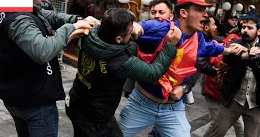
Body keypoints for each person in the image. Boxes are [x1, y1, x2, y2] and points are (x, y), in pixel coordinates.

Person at [118, 0, 234, 137]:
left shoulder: (198, 37)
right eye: (199, 10)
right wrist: (133, 26)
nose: (205, 14)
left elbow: (210, 48)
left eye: (204, 10)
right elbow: (132, 27)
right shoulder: (162, 28)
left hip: (172, 107)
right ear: (183, 13)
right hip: (141, 104)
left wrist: (227, 50)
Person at [0, 0, 93, 137]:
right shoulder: (20, 20)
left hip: (15, 93)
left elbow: (50, 16)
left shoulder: (12, 6)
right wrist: (72, 29)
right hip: (33, 101)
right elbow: (43, 50)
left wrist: (77, 19)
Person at [66, 8, 181, 137]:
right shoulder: (121, 62)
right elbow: (153, 73)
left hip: (76, 101)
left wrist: (130, 32)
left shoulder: (90, 33)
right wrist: (170, 45)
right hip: (96, 117)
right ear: (119, 39)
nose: (133, 32)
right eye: (130, 32)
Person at [206, 10, 260, 137]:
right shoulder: (235, 42)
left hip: (255, 103)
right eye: (243, 27)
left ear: (259, 31)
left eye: (250, 28)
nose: (245, 30)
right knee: (216, 132)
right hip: (233, 98)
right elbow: (227, 58)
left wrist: (246, 54)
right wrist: (249, 52)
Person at [197, 17, 244, 137]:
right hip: (211, 88)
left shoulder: (219, 40)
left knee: (237, 124)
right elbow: (200, 61)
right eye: (214, 25)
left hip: (223, 92)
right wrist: (214, 70)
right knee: (216, 122)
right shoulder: (204, 41)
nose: (216, 27)